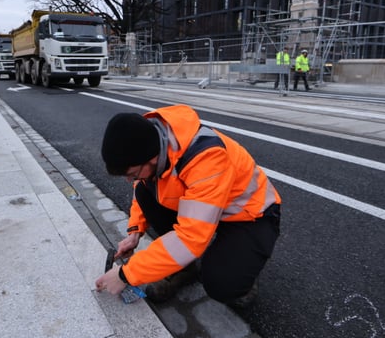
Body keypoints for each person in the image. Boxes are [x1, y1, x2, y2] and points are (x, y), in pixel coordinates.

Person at [94, 105, 282, 308]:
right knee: (144, 191)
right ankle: (184, 268)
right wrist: (135, 231)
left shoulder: (206, 157)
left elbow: (190, 237)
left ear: (153, 159)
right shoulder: (154, 144)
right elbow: (142, 185)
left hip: (248, 214)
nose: (130, 180)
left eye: (132, 174)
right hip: (208, 208)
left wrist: (125, 275)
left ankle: (243, 272)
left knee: (222, 284)